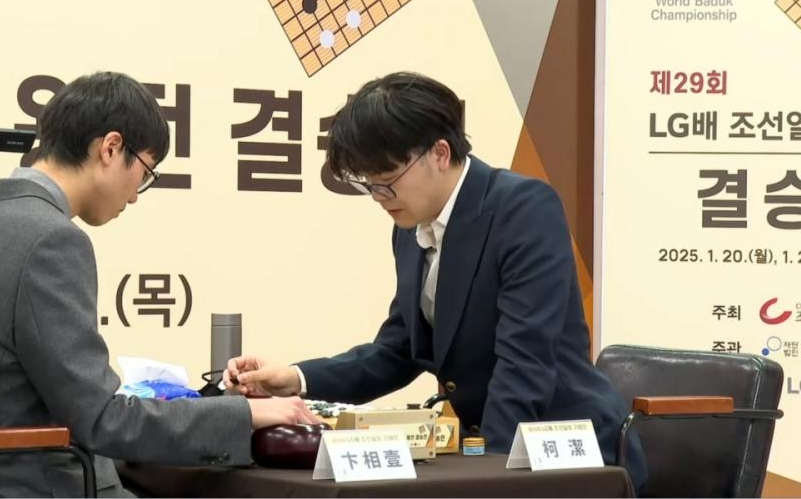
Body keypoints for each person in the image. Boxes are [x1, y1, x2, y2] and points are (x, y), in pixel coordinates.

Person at [225, 71, 647, 489]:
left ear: (440, 153)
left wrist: (486, 475)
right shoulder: (411, 229)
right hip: (494, 452)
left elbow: (525, 360)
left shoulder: (522, 208)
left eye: (387, 181)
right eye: (368, 184)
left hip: (568, 451)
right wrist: (295, 378)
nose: (378, 197)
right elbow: (396, 352)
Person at [0, 71, 318, 498]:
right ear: (111, 148)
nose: (135, 195)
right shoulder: (51, 239)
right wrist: (245, 414)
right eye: (146, 172)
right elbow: (103, 419)